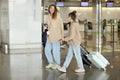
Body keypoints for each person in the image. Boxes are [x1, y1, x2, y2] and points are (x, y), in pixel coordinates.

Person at [45, 4, 64, 69]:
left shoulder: (58, 16)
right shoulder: (48, 16)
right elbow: (48, 27)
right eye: (50, 8)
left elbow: (61, 26)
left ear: (55, 9)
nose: (51, 10)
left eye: (53, 8)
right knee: (47, 50)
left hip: (57, 36)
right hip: (49, 37)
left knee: (55, 51)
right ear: (49, 9)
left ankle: (57, 64)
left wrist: (62, 37)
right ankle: (51, 63)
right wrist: (47, 34)